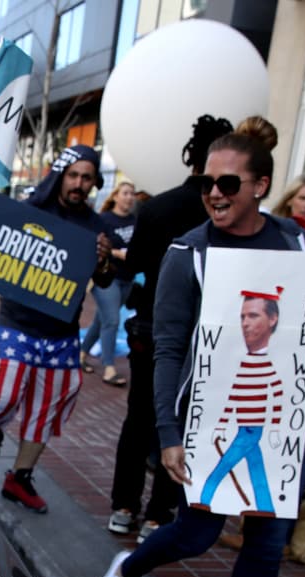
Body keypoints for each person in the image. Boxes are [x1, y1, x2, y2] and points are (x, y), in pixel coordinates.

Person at [91, 116, 305, 577]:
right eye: (209, 181)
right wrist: (169, 433)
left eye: (229, 184)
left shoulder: (296, 247)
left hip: (278, 423)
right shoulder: (190, 252)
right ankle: (128, 568)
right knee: (199, 533)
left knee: (265, 545)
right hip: (210, 420)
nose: (214, 193)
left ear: (260, 185)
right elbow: (167, 348)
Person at [0, 145, 110, 514]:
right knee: (2, 396)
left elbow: (106, 279)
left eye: (87, 178)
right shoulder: (29, 212)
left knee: (46, 409)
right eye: (73, 176)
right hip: (18, 322)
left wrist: (102, 261)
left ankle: (19, 478)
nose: (79, 184)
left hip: (62, 332)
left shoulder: (96, 229)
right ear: (60, 175)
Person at [106, 114, 233, 542]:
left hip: (151, 328)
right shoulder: (224, 213)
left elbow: (137, 263)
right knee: (184, 420)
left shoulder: (157, 206)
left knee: (139, 417)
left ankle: (124, 507)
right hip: (205, 335)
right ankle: (160, 514)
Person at [196, 291, 286, 513]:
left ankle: (204, 498)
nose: (245, 323)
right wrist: (222, 423)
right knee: (256, 468)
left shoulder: (268, 364)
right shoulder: (244, 361)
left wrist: (274, 427)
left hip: (252, 429)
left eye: (253, 316)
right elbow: (234, 394)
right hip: (244, 426)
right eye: (242, 317)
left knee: (224, 465)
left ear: (272, 319)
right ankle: (265, 505)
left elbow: (277, 396)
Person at [81, 181, 137, 386]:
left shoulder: (134, 220)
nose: (130, 197)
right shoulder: (104, 219)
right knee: (112, 320)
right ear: (115, 196)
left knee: (101, 320)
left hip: (127, 279)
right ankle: (109, 368)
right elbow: (93, 245)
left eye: (132, 194)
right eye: (125, 193)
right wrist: (115, 253)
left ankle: (81, 354)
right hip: (106, 278)